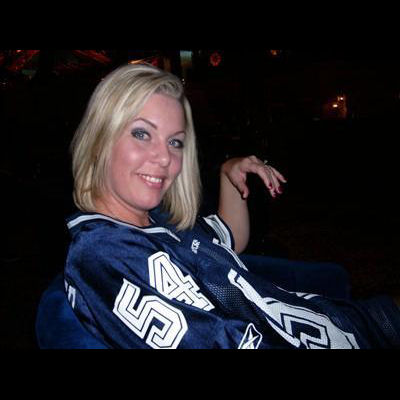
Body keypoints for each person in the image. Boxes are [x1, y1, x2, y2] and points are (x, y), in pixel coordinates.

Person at [64, 62, 400, 349]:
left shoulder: (155, 222)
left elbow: (229, 240)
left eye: (175, 141)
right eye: (141, 133)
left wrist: (229, 173)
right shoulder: (103, 253)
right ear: (100, 138)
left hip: (333, 321)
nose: (165, 157)